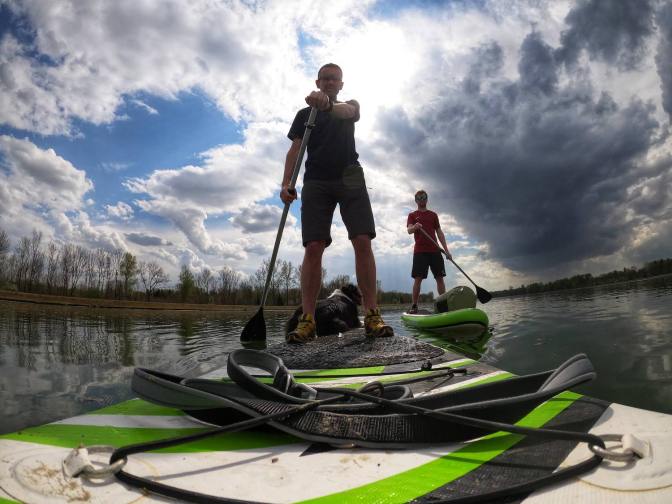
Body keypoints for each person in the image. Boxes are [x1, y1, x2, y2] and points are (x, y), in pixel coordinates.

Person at [280, 63, 393, 343]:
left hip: (350, 176)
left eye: (335, 79)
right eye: (325, 78)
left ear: (341, 84)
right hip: (316, 180)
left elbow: (347, 112)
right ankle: (308, 321)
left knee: (362, 240)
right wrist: (285, 183)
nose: (330, 82)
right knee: (313, 246)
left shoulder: (350, 105)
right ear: (317, 82)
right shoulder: (304, 114)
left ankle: (372, 315)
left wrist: (328, 106)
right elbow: (295, 149)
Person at [406, 190, 452, 313]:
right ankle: (414, 306)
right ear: (416, 200)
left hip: (435, 250)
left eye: (423, 197)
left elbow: (439, 232)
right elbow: (409, 230)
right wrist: (415, 227)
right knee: (418, 279)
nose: (421, 199)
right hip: (420, 252)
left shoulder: (433, 215)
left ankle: (443, 305)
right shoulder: (412, 215)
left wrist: (446, 250)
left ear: (427, 199)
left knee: (440, 278)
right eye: (419, 198)